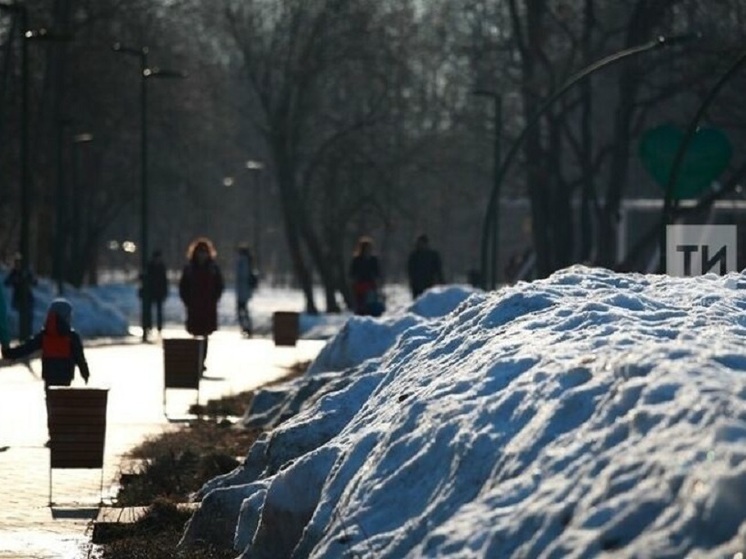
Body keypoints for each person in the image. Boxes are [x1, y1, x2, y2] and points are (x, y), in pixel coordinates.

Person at [1, 298, 90, 441]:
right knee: (63, 404)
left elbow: (27, 348)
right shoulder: (71, 336)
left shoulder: (45, 335)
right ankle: (62, 432)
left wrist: (9, 353)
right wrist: (85, 373)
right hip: (66, 376)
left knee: (51, 404)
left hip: (49, 375)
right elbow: (80, 357)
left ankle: (53, 433)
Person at [178, 237, 224, 370]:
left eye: (204, 252)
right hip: (194, 306)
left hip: (208, 307)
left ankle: (201, 361)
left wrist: (214, 299)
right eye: (200, 252)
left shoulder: (213, 268)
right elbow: (183, 286)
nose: (202, 255)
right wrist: (187, 301)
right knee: (195, 335)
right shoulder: (190, 268)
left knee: (205, 335)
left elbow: (219, 286)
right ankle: (194, 360)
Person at [4, 253, 37, 340]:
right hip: (18, 299)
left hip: (28, 298)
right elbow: (6, 282)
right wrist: (16, 280)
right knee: (22, 318)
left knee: (29, 318)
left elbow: (34, 282)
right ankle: (22, 335)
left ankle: (28, 335)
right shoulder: (14, 273)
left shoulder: (26, 272)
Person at [349, 236, 383, 316]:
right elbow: (352, 272)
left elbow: (377, 272)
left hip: (370, 284)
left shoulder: (373, 259)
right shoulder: (357, 259)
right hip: (360, 284)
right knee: (361, 303)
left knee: (371, 302)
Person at [406, 234, 444, 299]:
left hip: (430, 284)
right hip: (417, 285)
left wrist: (441, 282)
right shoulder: (414, 256)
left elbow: (438, 270)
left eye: (422, 243)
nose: (421, 245)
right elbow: (410, 270)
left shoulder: (433, 255)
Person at [235, 244, 257, 337]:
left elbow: (242, 276)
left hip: (242, 291)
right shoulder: (248, 261)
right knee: (244, 310)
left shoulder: (242, 261)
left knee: (241, 310)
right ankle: (247, 327)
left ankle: (246, 327)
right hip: (245, 291)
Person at [147, 250, 169, 335]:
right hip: (152, 292)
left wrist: (165, 292)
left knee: (159, 312)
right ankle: (150, 326)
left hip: (159, 292)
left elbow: (164, 281)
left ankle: (159, 327)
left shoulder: (161, 267)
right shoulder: (151, 266)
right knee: (150, 311)